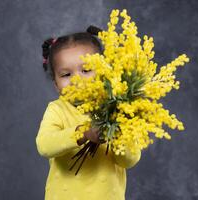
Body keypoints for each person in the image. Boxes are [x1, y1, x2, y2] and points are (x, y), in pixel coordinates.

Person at [36, 25, 141, 200]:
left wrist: (116, 134)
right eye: (66, 74)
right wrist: (83, 133)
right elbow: (45, 146)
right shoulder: (57, 110)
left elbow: (129, 161)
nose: (77, 80)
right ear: (55, 84)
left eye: (86, 70)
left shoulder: (116, 109)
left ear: (104, 72)